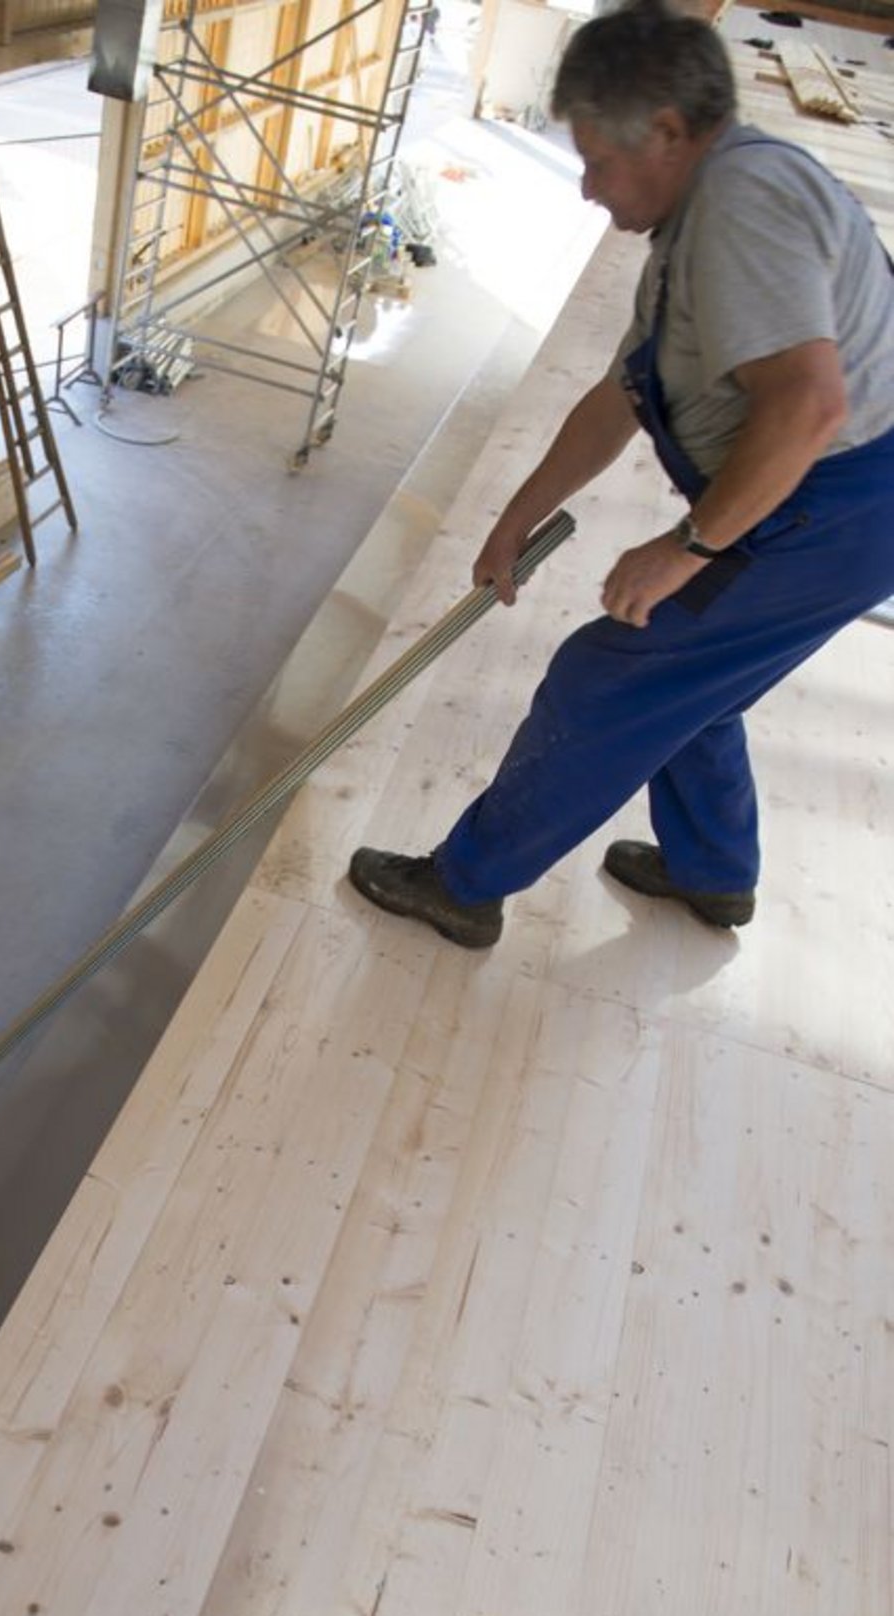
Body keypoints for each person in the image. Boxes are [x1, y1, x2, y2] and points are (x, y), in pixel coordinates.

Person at [349, 0, 894, 948]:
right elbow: (622, 395)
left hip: (836, 508)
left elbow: (808, 406)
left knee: (609, 674)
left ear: (672, 133)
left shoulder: (742, 213)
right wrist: (518, 514)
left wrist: (689, 546)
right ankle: (711, 872)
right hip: (832, 499)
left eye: (598, 160)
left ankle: (465, 885)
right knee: (693, 678)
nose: (588, 188)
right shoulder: (703, 210)